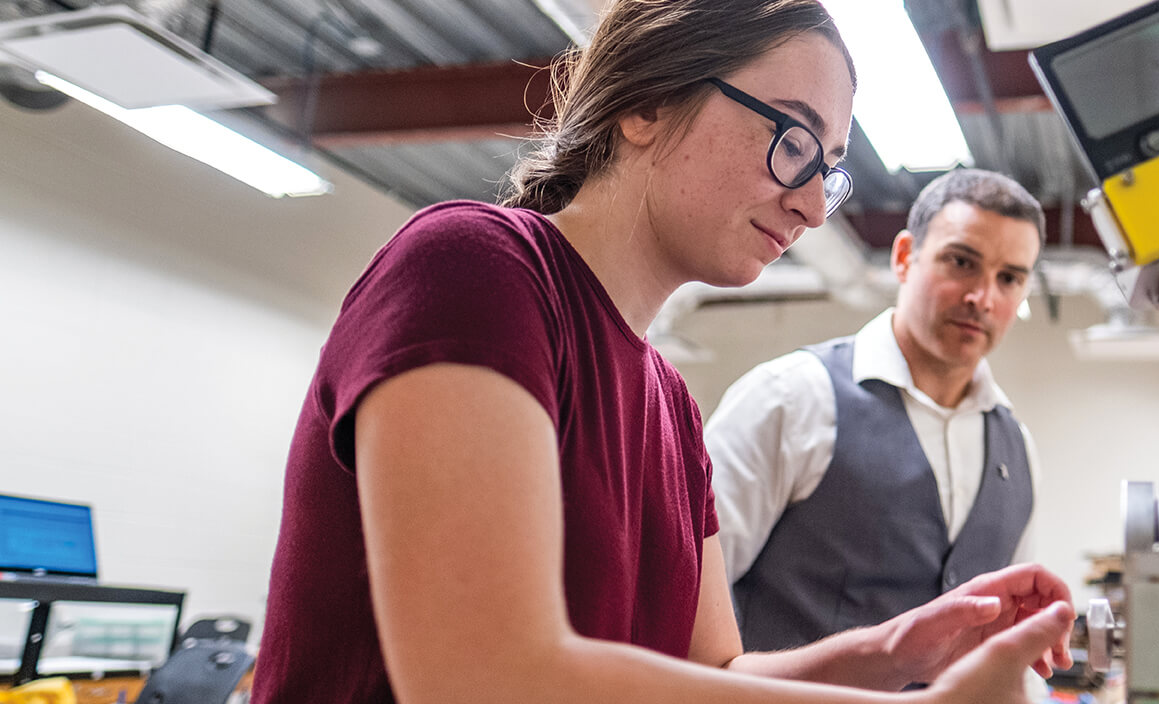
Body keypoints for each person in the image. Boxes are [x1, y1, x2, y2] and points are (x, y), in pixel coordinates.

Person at [250, 2, 1072, 703]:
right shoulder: (476, 266)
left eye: (830, 169)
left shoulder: (669, 404)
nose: (817, 204)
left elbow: (714, 671)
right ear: (646, 101)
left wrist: (894, 653)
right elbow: (481, 677)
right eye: (793, 139)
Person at [707, 169, 1047, 653]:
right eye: (961, 262)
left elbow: (1006, 642)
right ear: (905, 257)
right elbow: (682, 600)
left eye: (1009, 278)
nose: (983, 298)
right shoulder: (791, 398)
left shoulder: (1019, 451)